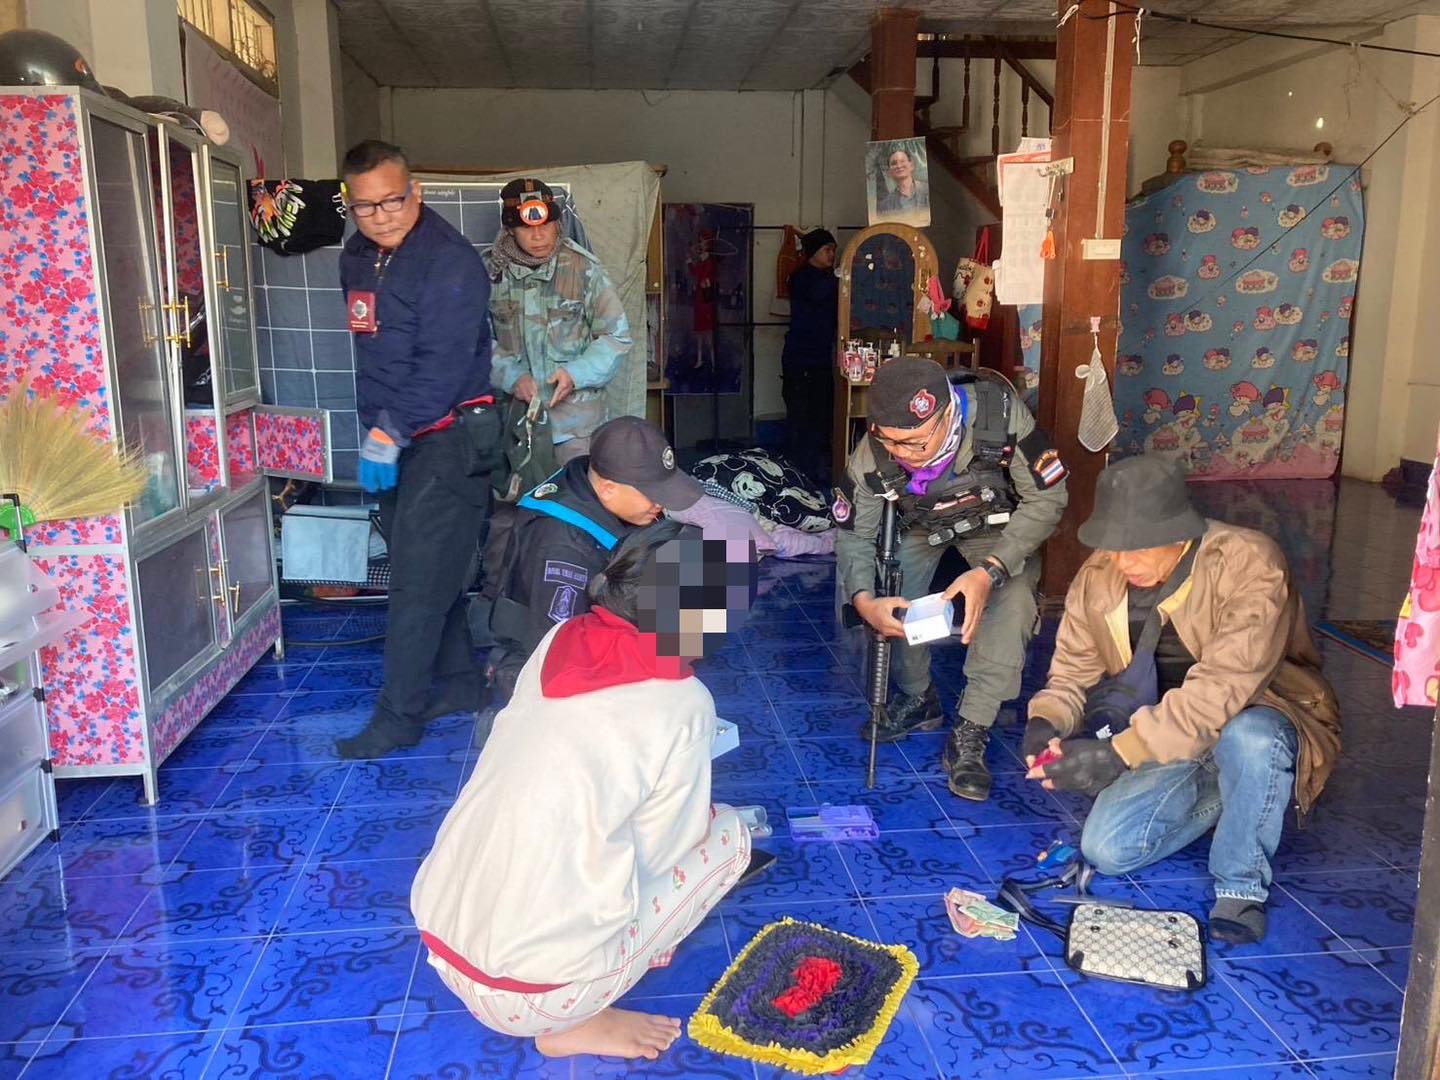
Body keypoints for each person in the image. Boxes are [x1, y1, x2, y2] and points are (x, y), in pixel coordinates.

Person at [411, 520, 757, 1061]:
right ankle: (580, 1016)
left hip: (443, 944)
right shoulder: (685, 702)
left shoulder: (559, 640)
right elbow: (666, 849)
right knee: (731, 837)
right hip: (538, 995)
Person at [1025, 455, 1341, 945]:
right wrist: (1045, 722)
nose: (1123, 562)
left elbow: (1222, 687)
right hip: (1170, 733)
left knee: (1251, 740)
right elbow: (1071, 671)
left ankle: (1240, 884)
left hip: (1258, 710)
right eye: (1113, 546)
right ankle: (1235, 793)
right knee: (1107, 848)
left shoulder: (1249, 562)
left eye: (1137, 547)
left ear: (1180, 531)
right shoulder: (1101, 574)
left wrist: (1119, 754)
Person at [835, 356, 1067, 801]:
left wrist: (992, 569)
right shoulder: (872, 452)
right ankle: (918, 697)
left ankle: (973, 725)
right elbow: (854, 536)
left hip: (996, 526)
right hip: (922, 524)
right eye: (890, 441)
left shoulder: (1000, 415)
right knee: (893, 590)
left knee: (1015, 597)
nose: (903, 454)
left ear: (947, 415)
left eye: (916, 442)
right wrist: (864, 602)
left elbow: (1047, 498)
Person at [334, 139, 497, 760]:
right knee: (426, 569)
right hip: (397, 436)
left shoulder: (451, 262)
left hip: (449, 438)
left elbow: (442, 365)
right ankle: (459, 683)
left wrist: (389, 432)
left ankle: (398, 717)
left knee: (413, 588)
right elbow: (372, 347)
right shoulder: (357, 255)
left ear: (416, 192)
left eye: (393, 201)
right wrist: (377, 427)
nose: (381, 217)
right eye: (365, 206)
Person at [488, 415, 702, 700]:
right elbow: (557, 647)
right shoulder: (564, 546)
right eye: (652, 494)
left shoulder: (587, 478)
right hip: (545, 669)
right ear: (609, 487)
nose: (660, 504)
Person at [488, 177, 632, 465]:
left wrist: (575, 374)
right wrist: (512, 377)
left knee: (576, 491)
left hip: (576, 429)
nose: (538, 236)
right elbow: (473, 341)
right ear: (510, 230)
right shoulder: (491, 273)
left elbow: (616, 337)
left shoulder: (584, 268)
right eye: (527, 228)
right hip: (515, 426)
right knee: (521, 495)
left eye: (545, 225)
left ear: (557, 223)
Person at [781, 227, 839, 485]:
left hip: (820, 359)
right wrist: (843, 276)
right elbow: (821, 292)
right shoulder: (803, 277)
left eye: (834, 250)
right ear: (814, 252)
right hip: (802, 359)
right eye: (827, 250)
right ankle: (800, 474)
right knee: (803, 418)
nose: (832, 255)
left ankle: (817, 470)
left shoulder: (824, 278)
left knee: (821, 416)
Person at [876, 145, 928, 220]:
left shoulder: (928, 190)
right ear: (889, 172)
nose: (899, 166)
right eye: (894, 163)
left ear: (911, 166)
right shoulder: (885, 206)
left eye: (902, 161)